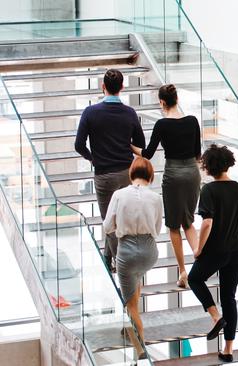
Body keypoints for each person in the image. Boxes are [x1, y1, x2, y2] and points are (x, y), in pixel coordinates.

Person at [74, 69, 145, 272]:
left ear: (102, 87)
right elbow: (140, 143)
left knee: (109, 221)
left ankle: (120, 264)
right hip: (126, 173)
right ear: (122, 87)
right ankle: (109, 256)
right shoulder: (130, 113)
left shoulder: (90, 112)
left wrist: (93, 158)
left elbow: (79, 145)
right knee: (123, 217)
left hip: (103, 175)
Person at [188, 145, 238, 363]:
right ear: (228, 163)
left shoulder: (208, 190)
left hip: (216, 250)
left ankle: (216, 317)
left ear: (208, 167)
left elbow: (207, 223)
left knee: (195, 279)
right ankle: (228, 350)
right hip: (236, 251)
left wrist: (198, 249)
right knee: (229, 297)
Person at [131, 84, 201, 288]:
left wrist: (129, 146)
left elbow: (148, 153)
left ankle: (182, 272)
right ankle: (200, 263)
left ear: (162, 102)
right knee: (189, 222)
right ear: (177, 98)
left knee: (173, 225)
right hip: (192, 174)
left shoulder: (162, 125)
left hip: (173, 175)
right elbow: (197, 152)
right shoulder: (192, 121)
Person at [103, 157, 162, 358]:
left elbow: (107, 227)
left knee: (131, 305)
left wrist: (121, 225)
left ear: (131, 174)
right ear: (150, 175)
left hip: (127, 251)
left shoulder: (119, 195)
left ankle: (140, 349)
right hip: (149, 252)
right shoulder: (156, 198)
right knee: (136, 281)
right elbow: (157, 228)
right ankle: (128, 328)